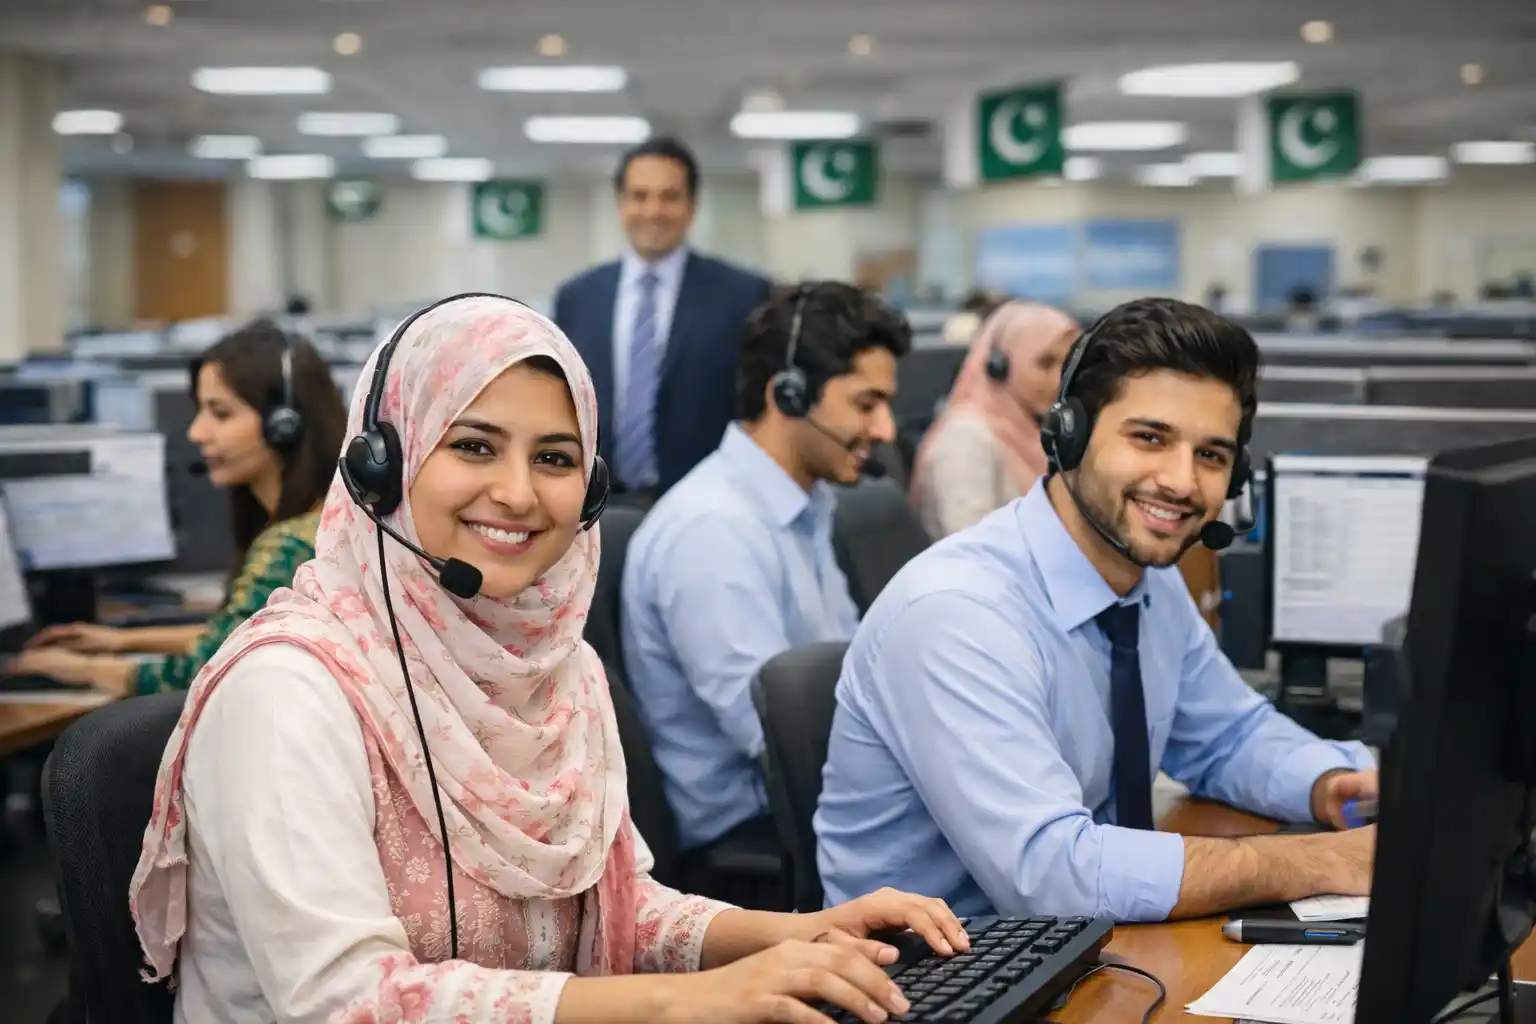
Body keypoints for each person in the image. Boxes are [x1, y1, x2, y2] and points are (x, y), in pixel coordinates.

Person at [128, 294, 967, 1023]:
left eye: (556, 458)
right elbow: (347, 1002)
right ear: (382, 467)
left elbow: (617, 913)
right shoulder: (290, 693)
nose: (522, 494)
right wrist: (694, 1003)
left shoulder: (554, 671)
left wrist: (800, 934)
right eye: (474, 446)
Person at [815, 297, 1379, 923]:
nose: (1182, 482)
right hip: (931, 983)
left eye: (1211, 456)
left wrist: (1332, 782)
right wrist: (1322, 860)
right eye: (1149, 438)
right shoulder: (959, 615)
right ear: (1069, 434)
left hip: (1089, 954)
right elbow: (1055, 876)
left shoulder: (1147, 583)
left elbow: (1227, 735)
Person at [621, 282, 909, 854]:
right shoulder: (712, 531)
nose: (886, 431)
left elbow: (851, 681)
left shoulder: (806, 504)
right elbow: (783, 742)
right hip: (757, 841)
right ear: (790, 396)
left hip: (820, 800)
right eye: (866, 403)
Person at [6, 321, 346, 696]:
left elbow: (201, 671)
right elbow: (236, 634)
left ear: (285, 424)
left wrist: (83, 668)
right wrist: (122, 641)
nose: (196, 432)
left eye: (220, 413)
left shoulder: (289, 546)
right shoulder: (327, 520)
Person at [551, 136, 773, 501]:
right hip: (596, 506)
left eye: (669, 197)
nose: (653, 211)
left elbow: (757, 413)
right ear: (621, 204)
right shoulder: (577, 299)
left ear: (692, 206)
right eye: (639, 196)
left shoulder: (744, 296)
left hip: (709, 501)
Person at [908, 301, 1078, 538]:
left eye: (1068, 364)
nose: (1060, 379)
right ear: (999, 367)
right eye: (1045, 363)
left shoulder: (1034, 431)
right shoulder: (965, 440)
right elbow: (971, 548)